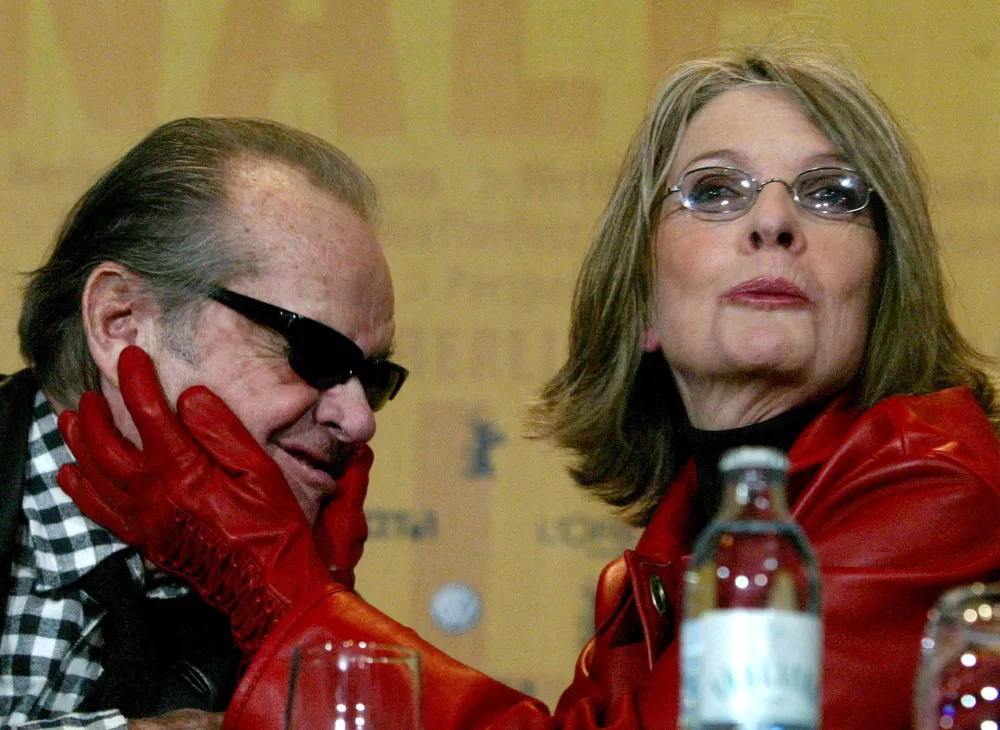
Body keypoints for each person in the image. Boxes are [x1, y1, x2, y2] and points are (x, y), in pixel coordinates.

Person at [55, 45, 1000, 730]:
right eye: (715, 190)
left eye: (834, 193)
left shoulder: (934, 483)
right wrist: (315, 603)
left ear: (883, 286)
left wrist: (283, 590)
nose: (777, 222)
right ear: (640, 307)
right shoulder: (665, 563)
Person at [2, 117, 408, 729]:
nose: (358, 420)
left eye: (373, 379)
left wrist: (309, 642)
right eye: (314, 354)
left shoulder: (288, 574)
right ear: (123, 320)